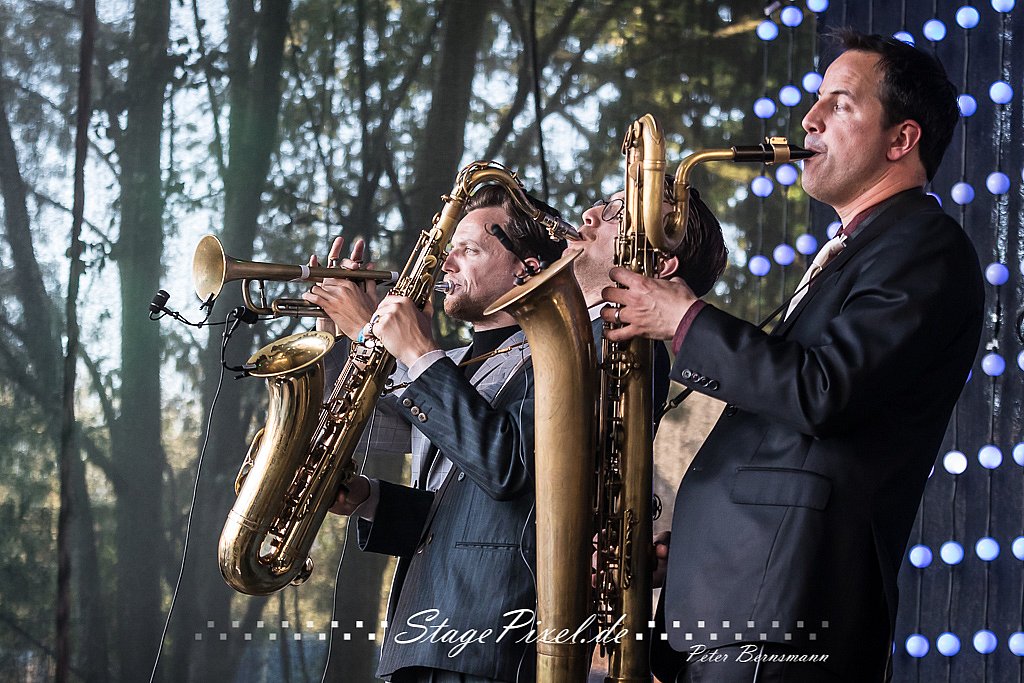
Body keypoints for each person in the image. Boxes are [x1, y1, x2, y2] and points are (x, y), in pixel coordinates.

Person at [601, 31, 984, 682]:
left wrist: (682, 318)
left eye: (840, 103)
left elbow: (821, 391)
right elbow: (785, 438)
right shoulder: (863, 248)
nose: (809, 118)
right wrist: (689, 551)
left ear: (901, 140)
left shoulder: (924, 243)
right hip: (748, 605)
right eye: (816, 99)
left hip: (782, 616)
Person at [304, 185, 566, 683]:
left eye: (469, 250)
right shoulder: (454, 365)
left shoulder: (549, 356)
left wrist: (385, 338)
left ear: (526, 269)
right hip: (419, 635)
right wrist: (337, 338)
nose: (447, 264)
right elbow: (361, 426)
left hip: (486, 641)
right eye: (450, 250)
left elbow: (505, 469)